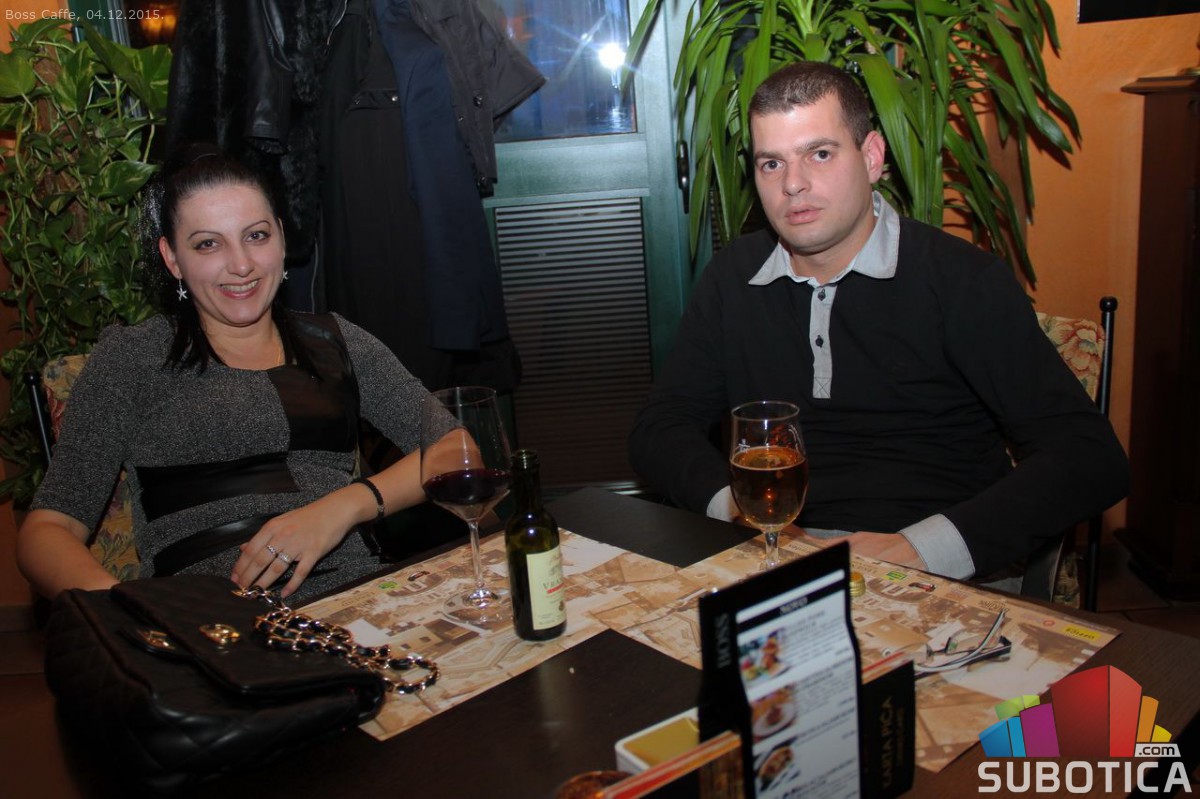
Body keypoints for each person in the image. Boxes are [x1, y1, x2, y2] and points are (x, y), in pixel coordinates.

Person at [628, 62, 1129, 582]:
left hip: (936, 569)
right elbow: (659, 427)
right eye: (771, 163)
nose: (793, 184)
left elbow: (1091, 458)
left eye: (820, 154)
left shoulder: (961, 280)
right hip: (772, 555)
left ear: (871, 157)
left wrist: (919, 551)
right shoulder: (733, 277)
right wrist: (739, 508)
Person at [17, 145, 457, 602]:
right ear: (172, 258)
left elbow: (456, 450)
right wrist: (127, 612)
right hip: (207, 617)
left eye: (256, 236)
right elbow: (48, 528)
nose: (241, 264)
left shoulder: (336, 341)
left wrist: (343, 507)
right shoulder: (133, 357)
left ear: (281, 238)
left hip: (355, 596)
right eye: (208, 244)